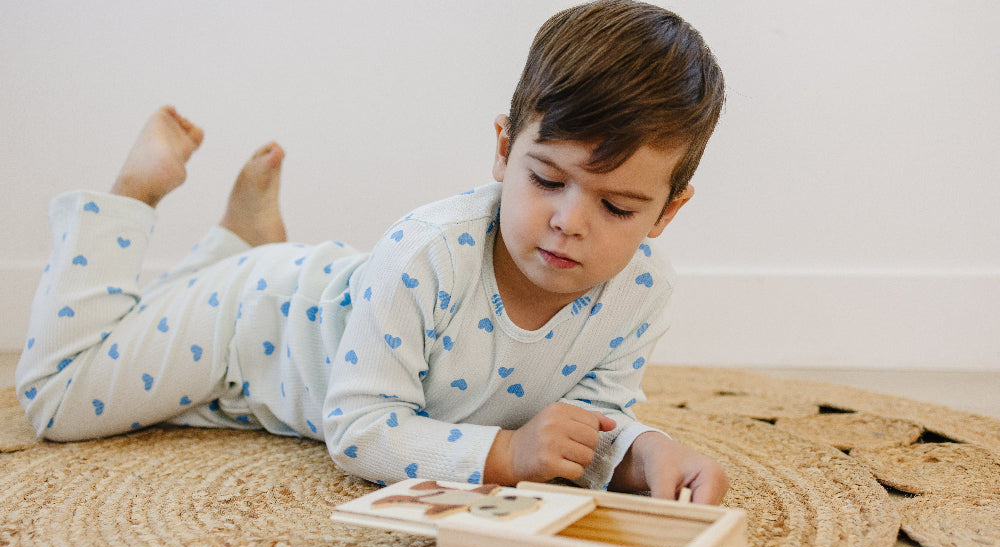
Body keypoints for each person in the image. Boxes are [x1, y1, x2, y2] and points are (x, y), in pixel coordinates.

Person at [16, 0, 729, 503]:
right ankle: (136, 200)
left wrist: (640, 451)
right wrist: (505, 455)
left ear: (668, 210)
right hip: (248, 323)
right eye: (546, 179)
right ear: (505, 150)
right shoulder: (429, 253)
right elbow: (356, 428)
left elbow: (588, 420)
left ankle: (239, 238)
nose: (569, 221)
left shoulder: (641, 292)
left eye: (617, 206)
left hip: (310, 306)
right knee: (59, 400)